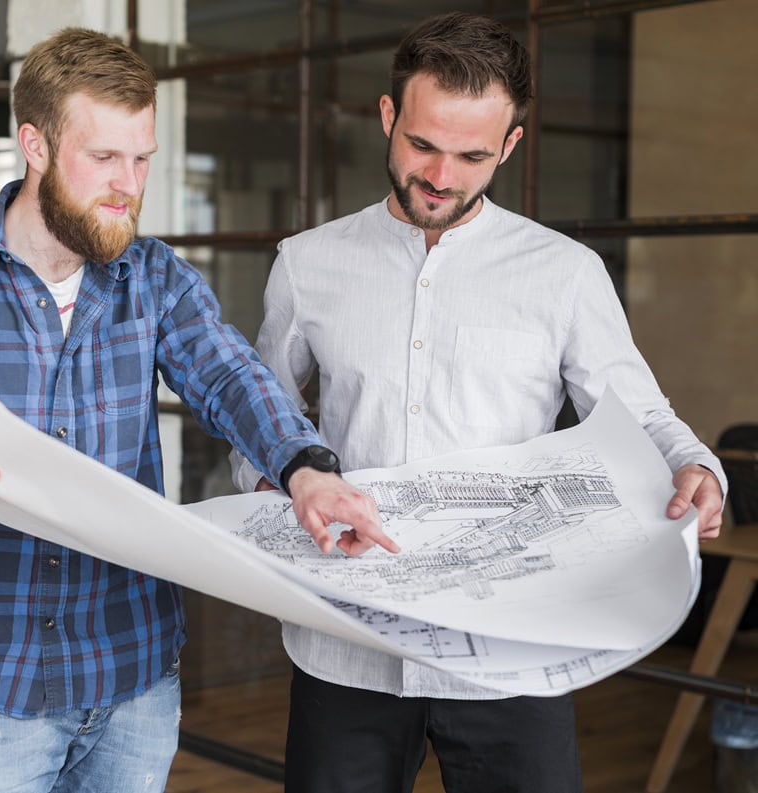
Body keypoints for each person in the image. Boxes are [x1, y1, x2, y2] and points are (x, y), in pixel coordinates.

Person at [0, 27, 395, 793]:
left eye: (142, 157)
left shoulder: (154, 280)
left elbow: (232, 379)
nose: (128, 183)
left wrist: (306, 468)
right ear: (34, 144)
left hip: (134, 679)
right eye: (103, 157)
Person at [230, 12, 727, 793]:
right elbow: (257, 413)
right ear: (387, 116)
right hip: (347, 642)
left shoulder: (565, 273)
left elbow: (645, 416)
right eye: (423, 145)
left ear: (511, 146)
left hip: (513, 650)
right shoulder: (307, 264)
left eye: (472, 156)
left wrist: (695, 466)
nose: (441, 176)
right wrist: (269, 488)